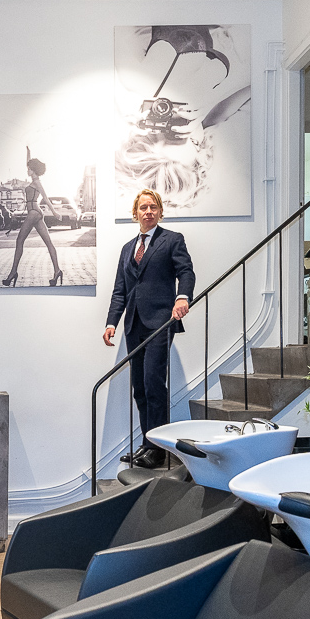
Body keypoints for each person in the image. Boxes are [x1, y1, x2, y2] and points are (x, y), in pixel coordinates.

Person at [103, 189, 194, 469]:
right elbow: (120, 290)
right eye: (143, 208)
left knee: (154, 383)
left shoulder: (172, 240)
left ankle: (158, 449)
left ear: (160, 211)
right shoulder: (127, 248)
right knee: (140, 388)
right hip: (134, 325)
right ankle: (147, 444)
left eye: (153, 207)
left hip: (160, 322)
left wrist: (182, 297)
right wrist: (111, 322)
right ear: (135, 213)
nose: (148, 212)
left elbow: (186, 272)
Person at [2, 147, 64, 287]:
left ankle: (13, 273)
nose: (27, 170)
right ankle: (57, 271)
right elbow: (28, 162)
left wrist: (55, 212)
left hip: (34, 213)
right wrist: (28, 151)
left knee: (19, 240)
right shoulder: (33, 179)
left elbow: (46, 198)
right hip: (36, 213)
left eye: (29, 168)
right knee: (48, 243)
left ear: (33, 170)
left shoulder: (37, 183)